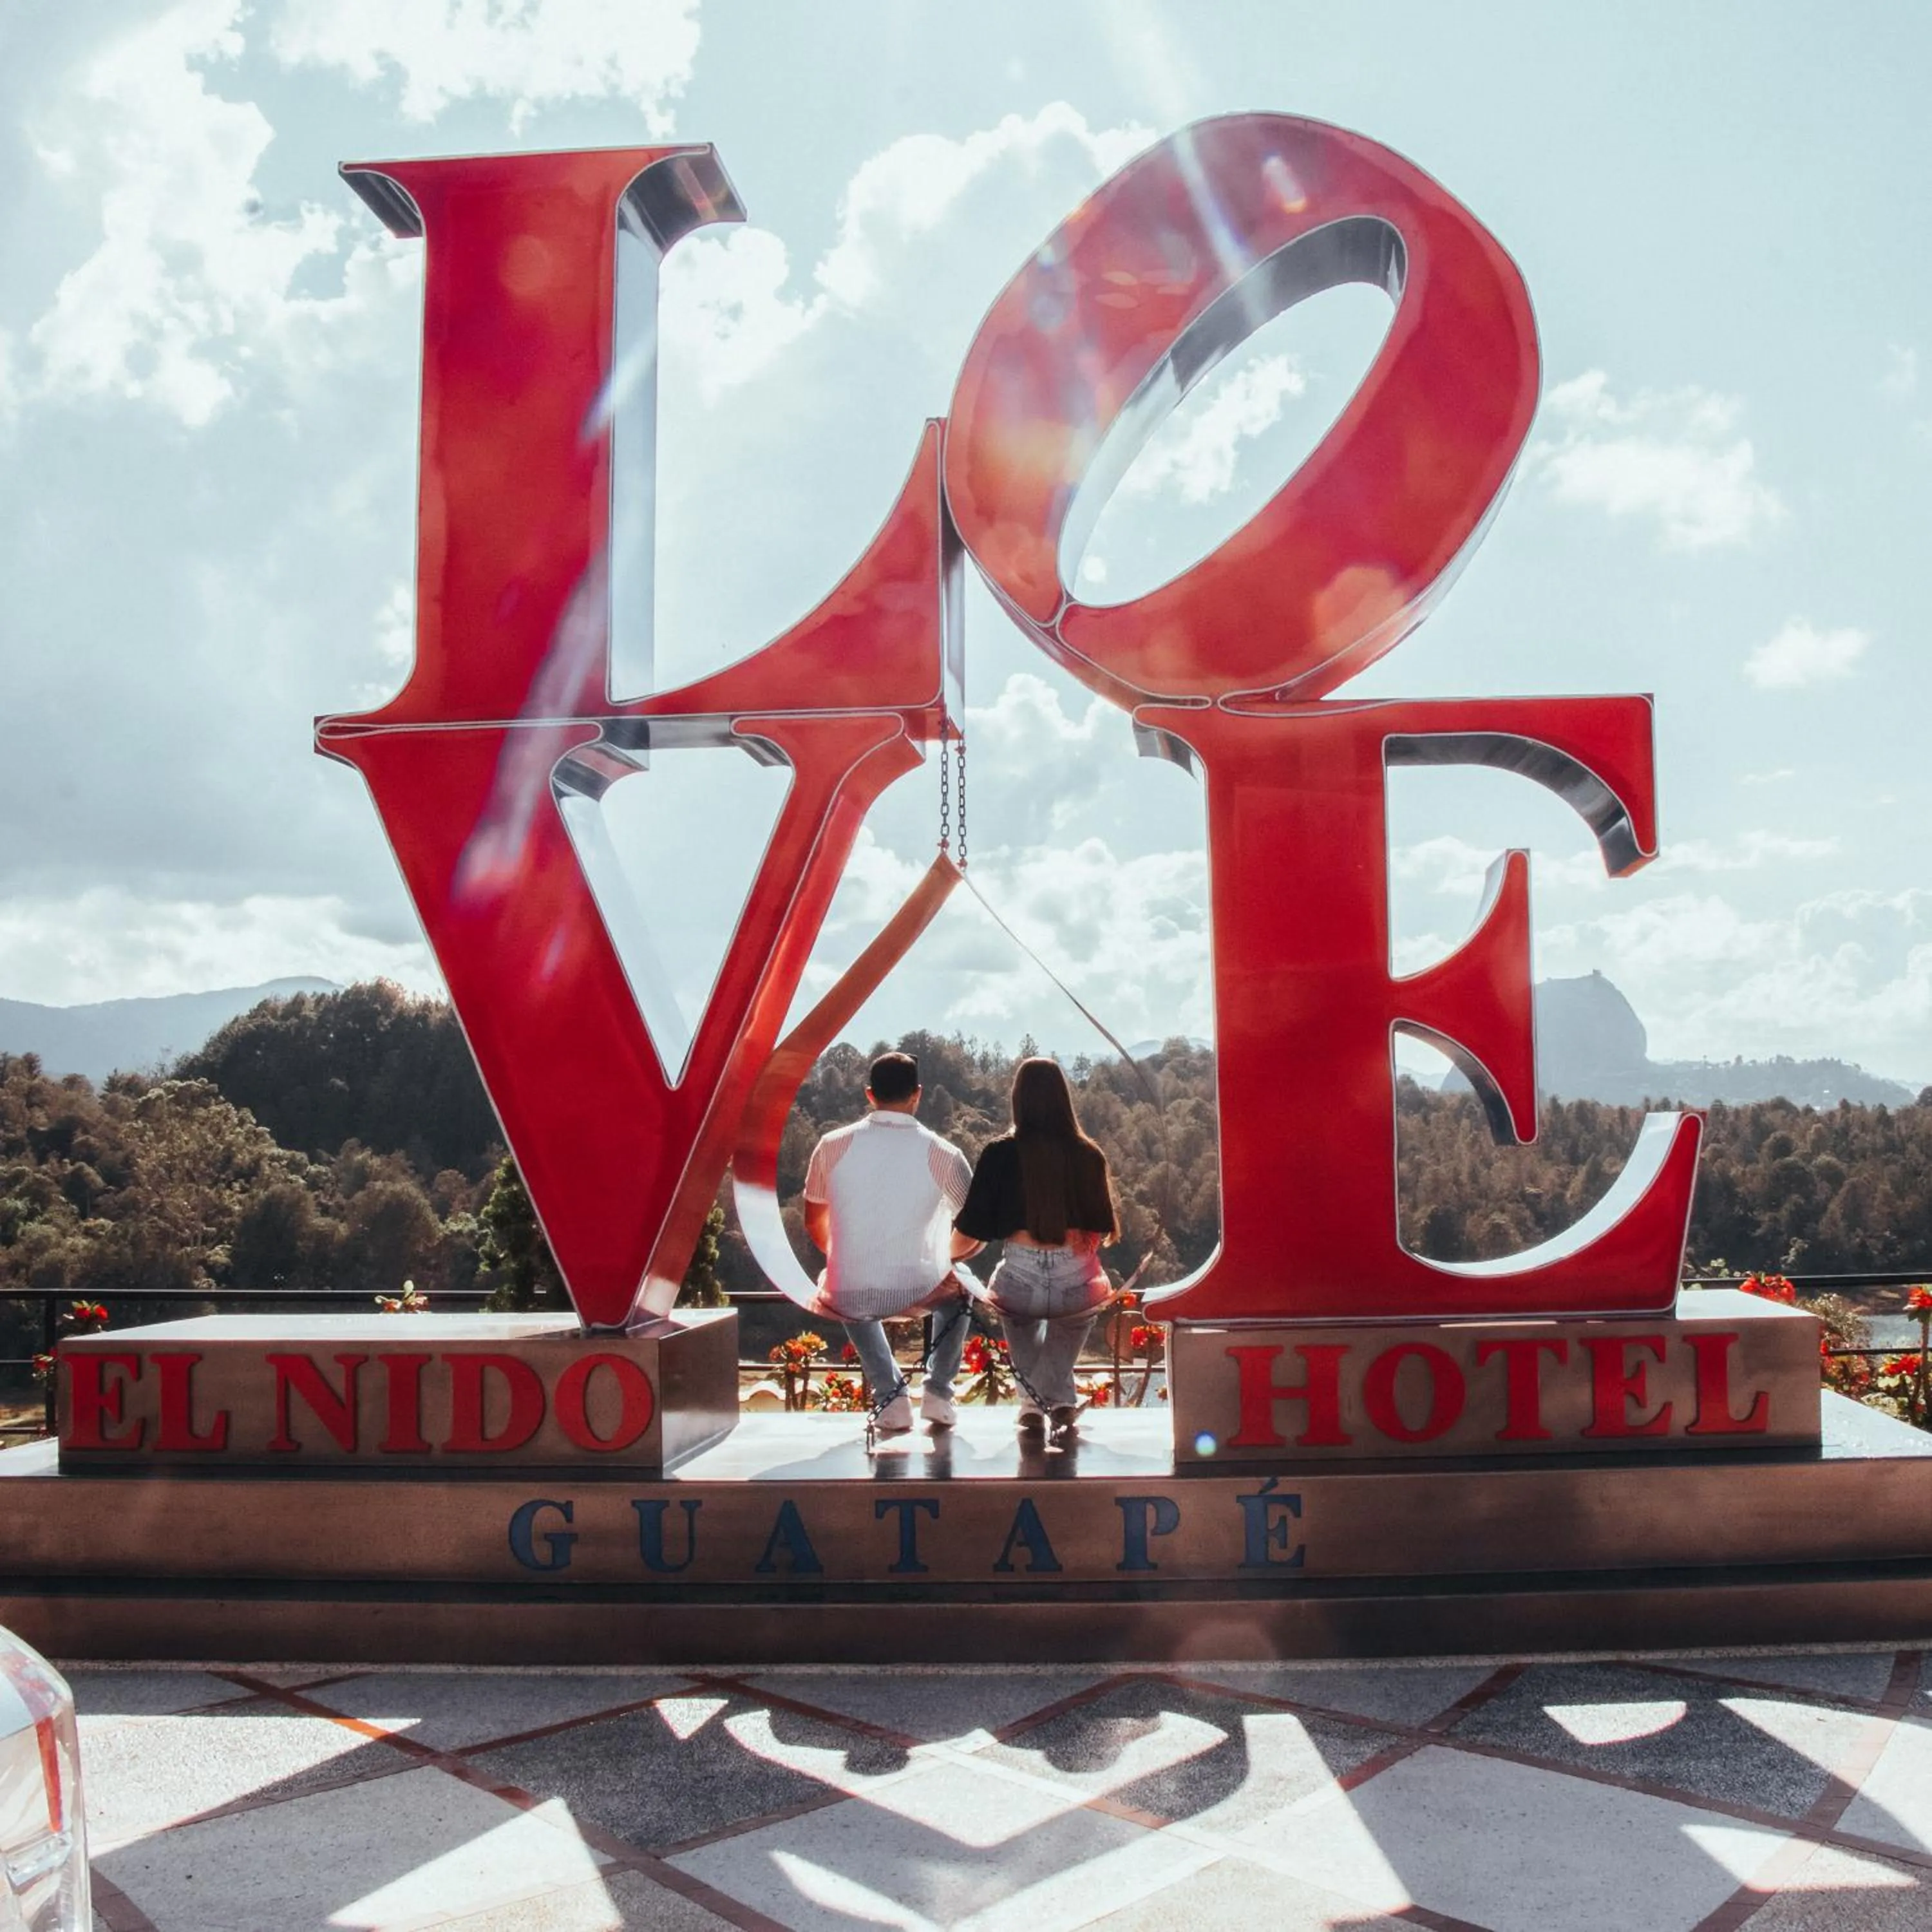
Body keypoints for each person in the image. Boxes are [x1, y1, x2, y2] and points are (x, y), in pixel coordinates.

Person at [801, 1051, 973, 1437]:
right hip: (922, 1289)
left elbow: (814, 1221)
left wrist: (847, 1256)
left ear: (869, 1094)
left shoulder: (830, 1145)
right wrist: (949, 1259)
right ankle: (939, 1392)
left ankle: (890, 1396)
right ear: (917, 1095)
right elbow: (973, 1226)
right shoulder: (946, 1154)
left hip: (852, 1294)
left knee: (840, 1277)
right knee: (963, 1286)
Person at [951, 1056, 1118, 1442]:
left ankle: (1033, 1407)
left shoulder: (999, 1153)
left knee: (1016, 1311)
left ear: (1017, 1098)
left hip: (1019, 1277)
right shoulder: (1089, 1155)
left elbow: (971, 1226)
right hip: (1076, 1278)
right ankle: (1057, 1405)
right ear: (1064, 1098)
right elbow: (1102, 1228)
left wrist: (945, 1260)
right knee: (1080, 1306)